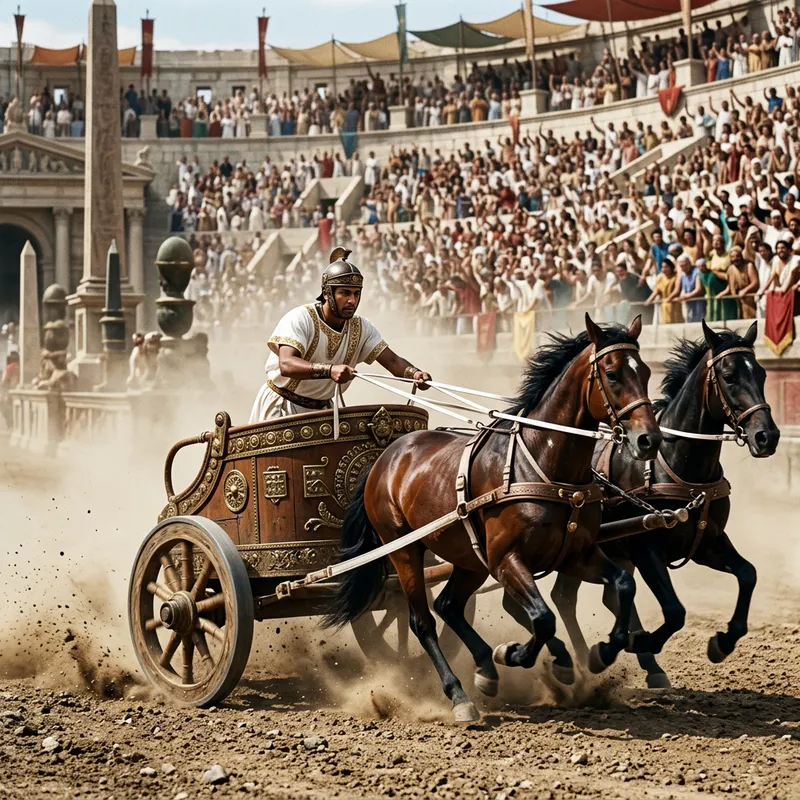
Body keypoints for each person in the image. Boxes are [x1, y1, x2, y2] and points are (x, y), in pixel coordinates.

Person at [249, 248, 432, 421]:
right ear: (327, 293)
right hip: (282, 406)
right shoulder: (300, 318)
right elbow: (287, 364)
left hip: (324, 410)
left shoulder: (362, 328)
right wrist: (330, 370)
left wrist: (415, 374)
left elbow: (392, 361)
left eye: (356, 293)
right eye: (345, 293)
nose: (352, 300)